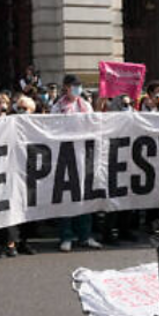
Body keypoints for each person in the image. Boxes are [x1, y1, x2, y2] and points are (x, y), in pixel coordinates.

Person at [51, 75, 103, 252]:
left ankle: (85, 235)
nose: (77, 89)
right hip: (65, 155)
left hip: (83, 155)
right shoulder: (58, 107)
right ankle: (66, 236)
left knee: (84, 196)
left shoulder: (85, 105)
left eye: (78, 86)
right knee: (67, 195)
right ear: (66, 87)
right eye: (74, 86)